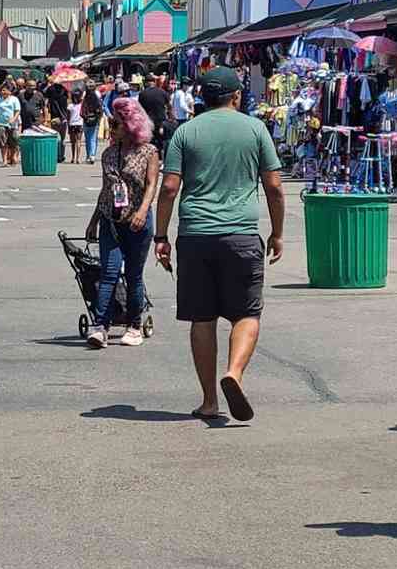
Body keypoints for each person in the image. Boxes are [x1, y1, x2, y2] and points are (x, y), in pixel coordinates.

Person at [154, 68, 285, 423]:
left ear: (203, 98)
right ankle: (235, 373)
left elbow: (168, 188)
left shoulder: (185, 131)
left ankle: (210, 400)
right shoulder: (255, 129)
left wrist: (161, 236)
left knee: (202, 317)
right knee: (247, 313)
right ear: (236, 96)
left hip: (195, 237)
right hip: (241, 235)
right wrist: (277, 232)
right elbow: (273, 186)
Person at [86, 97, 160, 348]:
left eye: (115, 123)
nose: (111, 127)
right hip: (111, 220)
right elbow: (106, 189)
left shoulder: (149, 151)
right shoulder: (108, 154)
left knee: (133, 275)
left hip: (137, 221)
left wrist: (142, 210)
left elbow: (152, 185)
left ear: (130, 124)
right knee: (108, 273)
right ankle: (100, 326)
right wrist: (94, 220)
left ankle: (134, 325)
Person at [138, 72, 172, 148]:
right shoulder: (162, 92)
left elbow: (140, 109)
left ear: (146, 83)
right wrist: (171, 117)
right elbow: (169, 106)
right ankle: (161, 156)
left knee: (150, 142)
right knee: (162, 141)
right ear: (154, 82)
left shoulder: (142, 94)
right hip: (161, 122)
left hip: (148, 121)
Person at [0, 83, 22, 166]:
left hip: (12, 124)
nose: (2, 92)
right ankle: (5, 160)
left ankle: (13, 157)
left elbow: (17, 111)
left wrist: (13, 119)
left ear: (10, 91)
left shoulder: (14, 99)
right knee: (3, 142)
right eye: (1, 90)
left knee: (13, 142)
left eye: (4, 90)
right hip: (1, 123)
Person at [66, 90, 84, 164]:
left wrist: (68, 124)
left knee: (73, 142)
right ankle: (78, 158)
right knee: (78, 141)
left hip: (72, 124)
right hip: (79, 124)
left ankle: (73, 158)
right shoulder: (82, 105)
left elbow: (68, 116)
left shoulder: (70, 106)